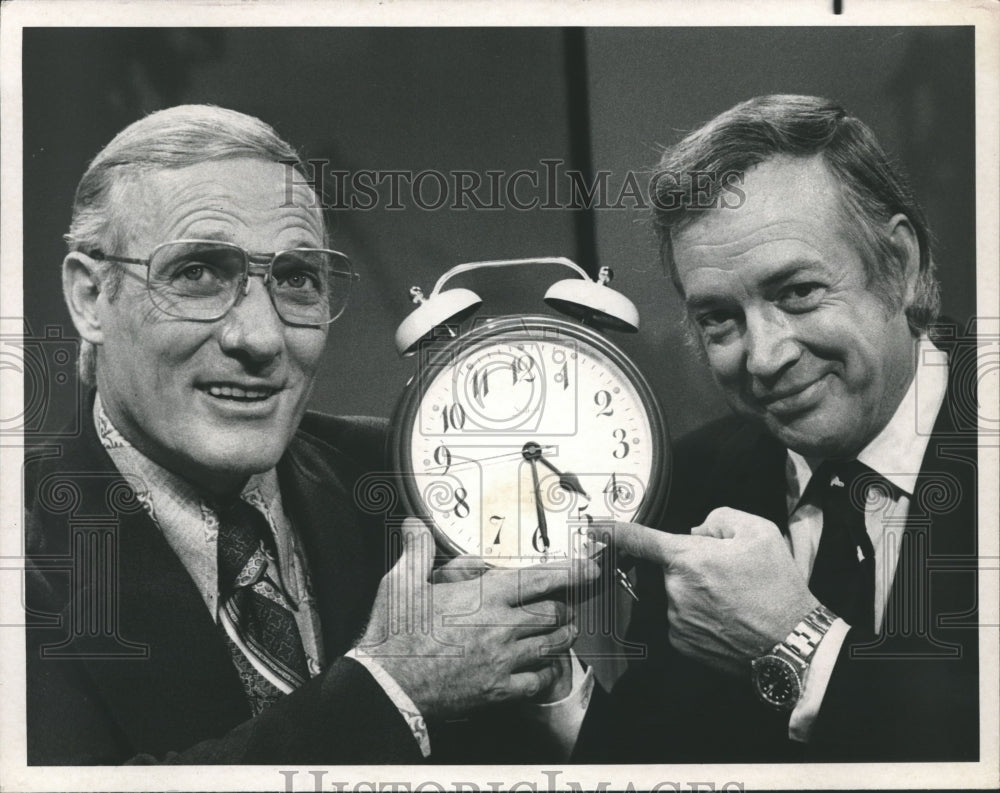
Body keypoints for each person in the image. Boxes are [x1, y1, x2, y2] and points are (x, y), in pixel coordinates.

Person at [24, 104, 595, 765]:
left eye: (297, 279)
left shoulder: (408, 476)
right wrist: (393, 689)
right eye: (199, 272)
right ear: (90, 297)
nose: (262, 338)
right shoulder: (28, 553)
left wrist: (546, 682)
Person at [576, 94, 979, 762]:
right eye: (718, 319)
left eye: (796, 293)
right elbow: (656, 752)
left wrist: (799, 642)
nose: (763, 357)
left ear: (900, 265)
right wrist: (546, 682)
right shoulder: (690, 483)